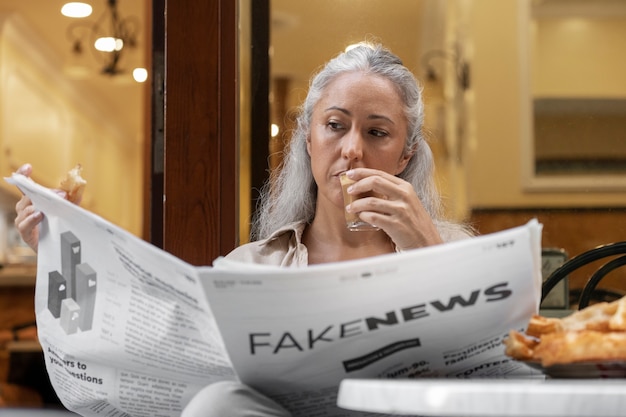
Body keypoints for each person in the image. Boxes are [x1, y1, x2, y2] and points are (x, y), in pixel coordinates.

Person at [14, 42, 473, 416]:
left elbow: (493, 383)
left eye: (377, 133)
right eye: (335, 125)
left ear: (405, 155)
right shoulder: (250, 266)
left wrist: (425, 254)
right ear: (308, 139)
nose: (352, 149)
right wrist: (59, 245)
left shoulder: (452, 251)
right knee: (215, 402)